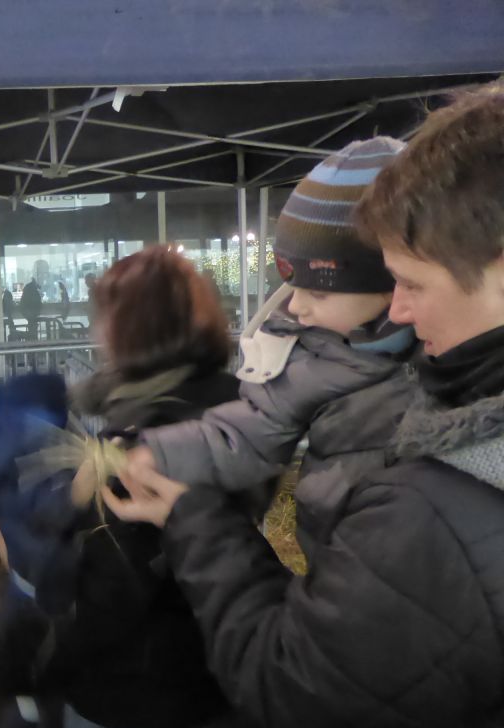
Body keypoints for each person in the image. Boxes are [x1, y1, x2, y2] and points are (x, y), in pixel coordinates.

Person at [105, 84, 504, 728]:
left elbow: (301, 695)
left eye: (412, 283)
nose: (401, 310)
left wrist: (194, 516)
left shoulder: (436, 496)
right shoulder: (344, 364)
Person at [0, 246, 270, 728]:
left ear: (134, 328)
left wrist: (31, 654)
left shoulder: (146, 442)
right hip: (209, 666)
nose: (97, 333)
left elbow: (108, 589)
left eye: (106, 317)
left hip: (131, 698)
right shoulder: (227, 409)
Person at [141, 137, 416, 563]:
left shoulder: (451, 362)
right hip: (336, 558)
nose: (297, 307)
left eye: (318, 293)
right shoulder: (313, 352)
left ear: (395, 282)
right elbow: (249, 431)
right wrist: (154, 453)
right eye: (292, 286)